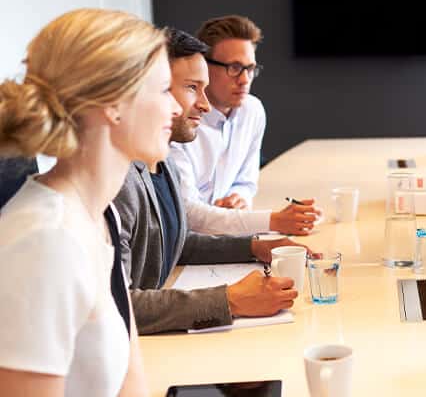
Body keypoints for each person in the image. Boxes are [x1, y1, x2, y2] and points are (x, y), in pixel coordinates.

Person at [0, 8, 321, 397]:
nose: (179, 106)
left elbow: (122, 318)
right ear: (112, 104)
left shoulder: (95, 214)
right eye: (162, 90)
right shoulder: (44, 240)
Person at [114, 28, 309, 335]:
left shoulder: (162, 164)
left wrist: (255, 247)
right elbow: (118, 306)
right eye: (192, 88)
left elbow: (174, 244)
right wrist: (229, 301)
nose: (204, 106)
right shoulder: (118, 183)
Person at [165, 16, 319, 236]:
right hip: (190, 243)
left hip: (224, 233)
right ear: (204, 66)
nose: (245, 79)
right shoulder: (178, 122)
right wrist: (274, 220)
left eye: (250, 68)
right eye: (235, 68)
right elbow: (189, 214)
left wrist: (239, 199)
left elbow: (246, 181)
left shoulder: (253, 111)